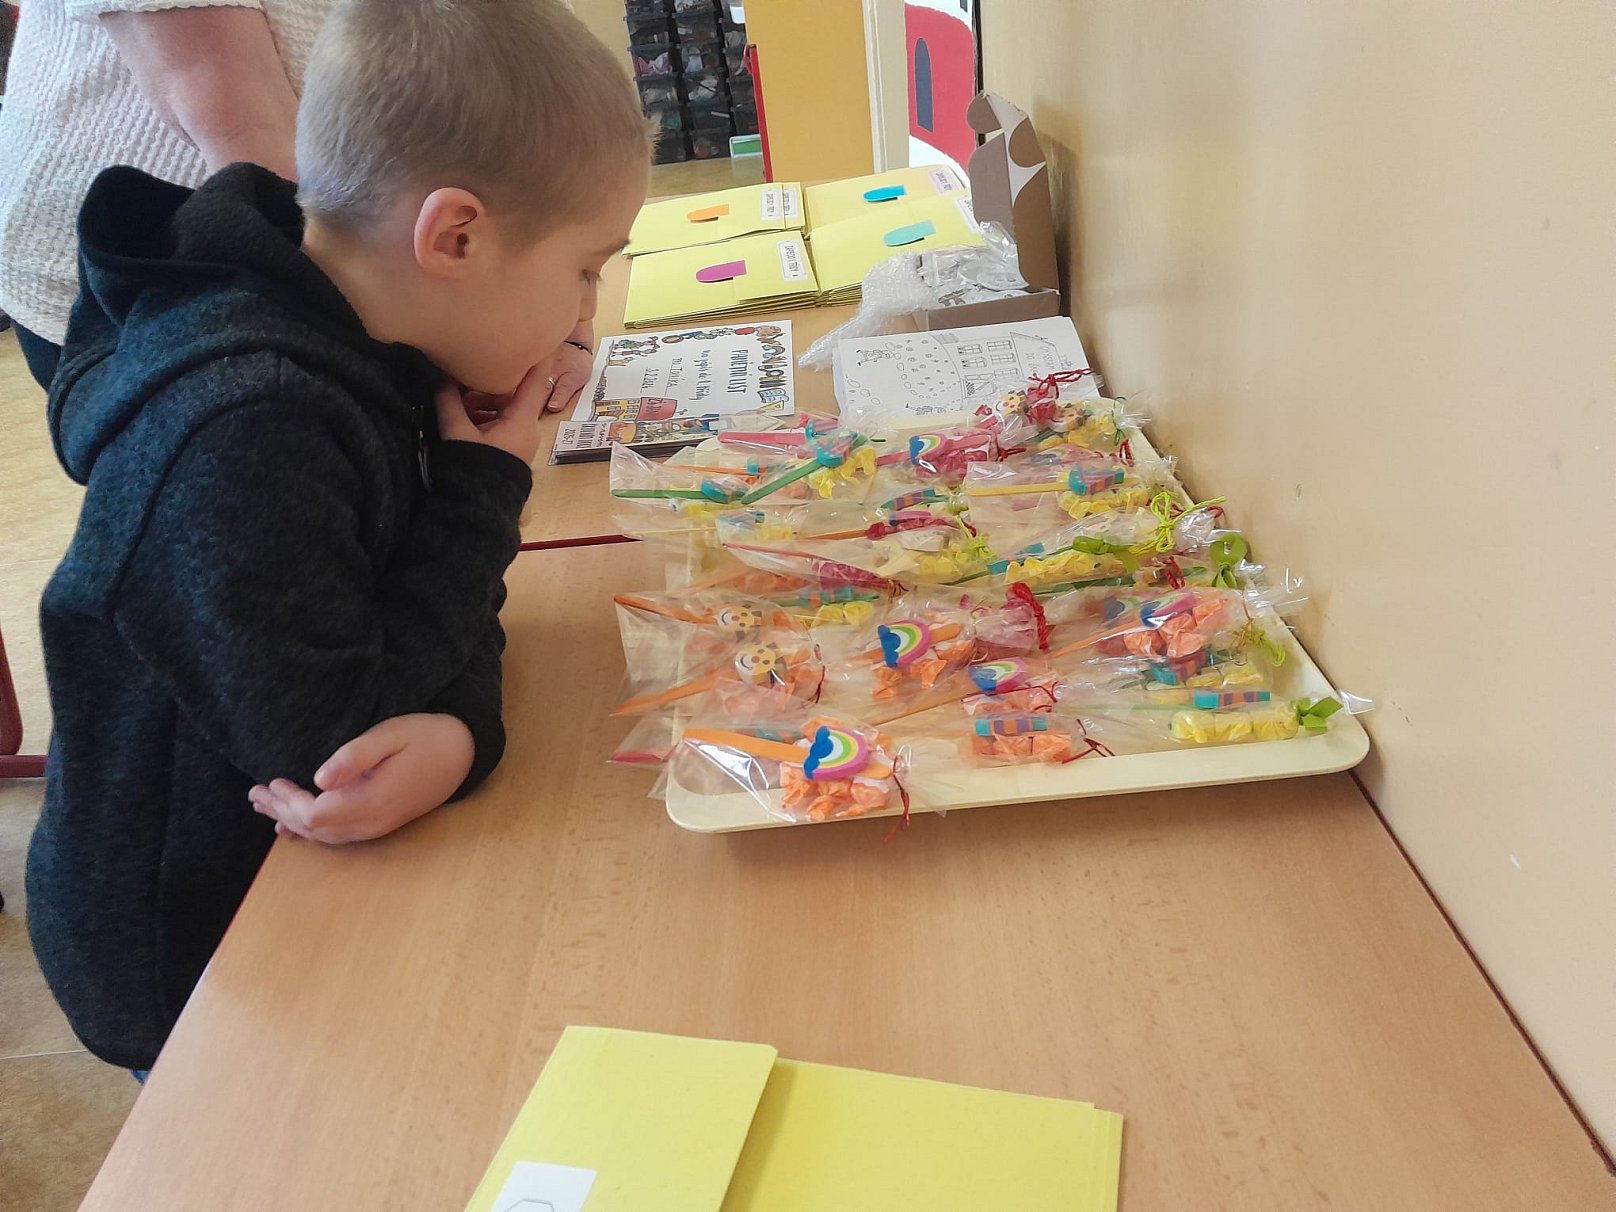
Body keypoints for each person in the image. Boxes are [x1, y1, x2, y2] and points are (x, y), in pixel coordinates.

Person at [25, 0, 651, 1074]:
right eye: (587, 270)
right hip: (201, 942)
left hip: (298, 875)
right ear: (454, 237)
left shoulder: (370, 322)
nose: (584, 319)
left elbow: (423, 622)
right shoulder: (251, 427)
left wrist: (456, 726)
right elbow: (344, 751)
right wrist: (481, 493)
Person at [0, 0, 597, 406]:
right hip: (181, 282)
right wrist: (489, 326)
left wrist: (560, 314)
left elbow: (538, 80)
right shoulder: (274, 390)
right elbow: (245, 134)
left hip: (386, 272)